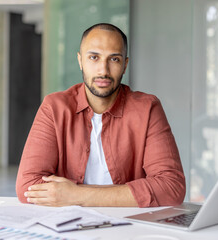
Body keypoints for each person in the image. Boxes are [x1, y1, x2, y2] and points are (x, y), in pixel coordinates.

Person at [16, 23, 186, 208]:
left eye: (114, 59)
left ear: (125, 65)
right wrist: (122, 196)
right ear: (80, 61)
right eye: (94, 57)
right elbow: (28, 187)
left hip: (129, 228)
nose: (103, 70)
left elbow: (172, 187)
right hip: (69, 227)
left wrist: (77, 195)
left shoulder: (147, 109)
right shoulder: (54, 108)